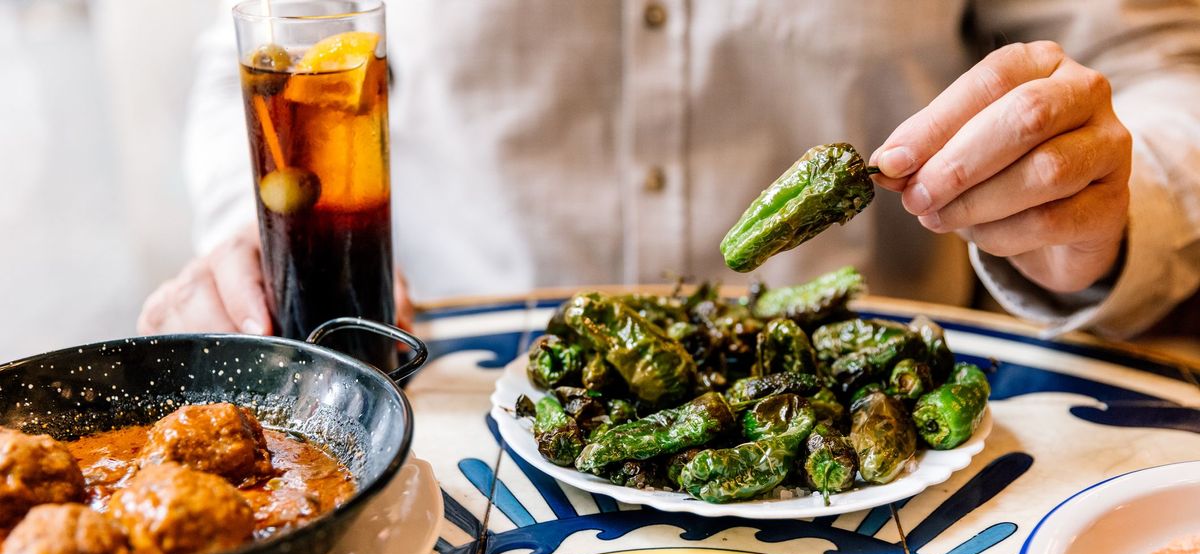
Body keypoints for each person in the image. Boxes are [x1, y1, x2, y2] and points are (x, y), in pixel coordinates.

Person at [140, 0, 1200, 340]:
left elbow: (1163, 66)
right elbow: (278, 42)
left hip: (875, 437)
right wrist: (260, 233)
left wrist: (1107, 199)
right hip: (450, 398)